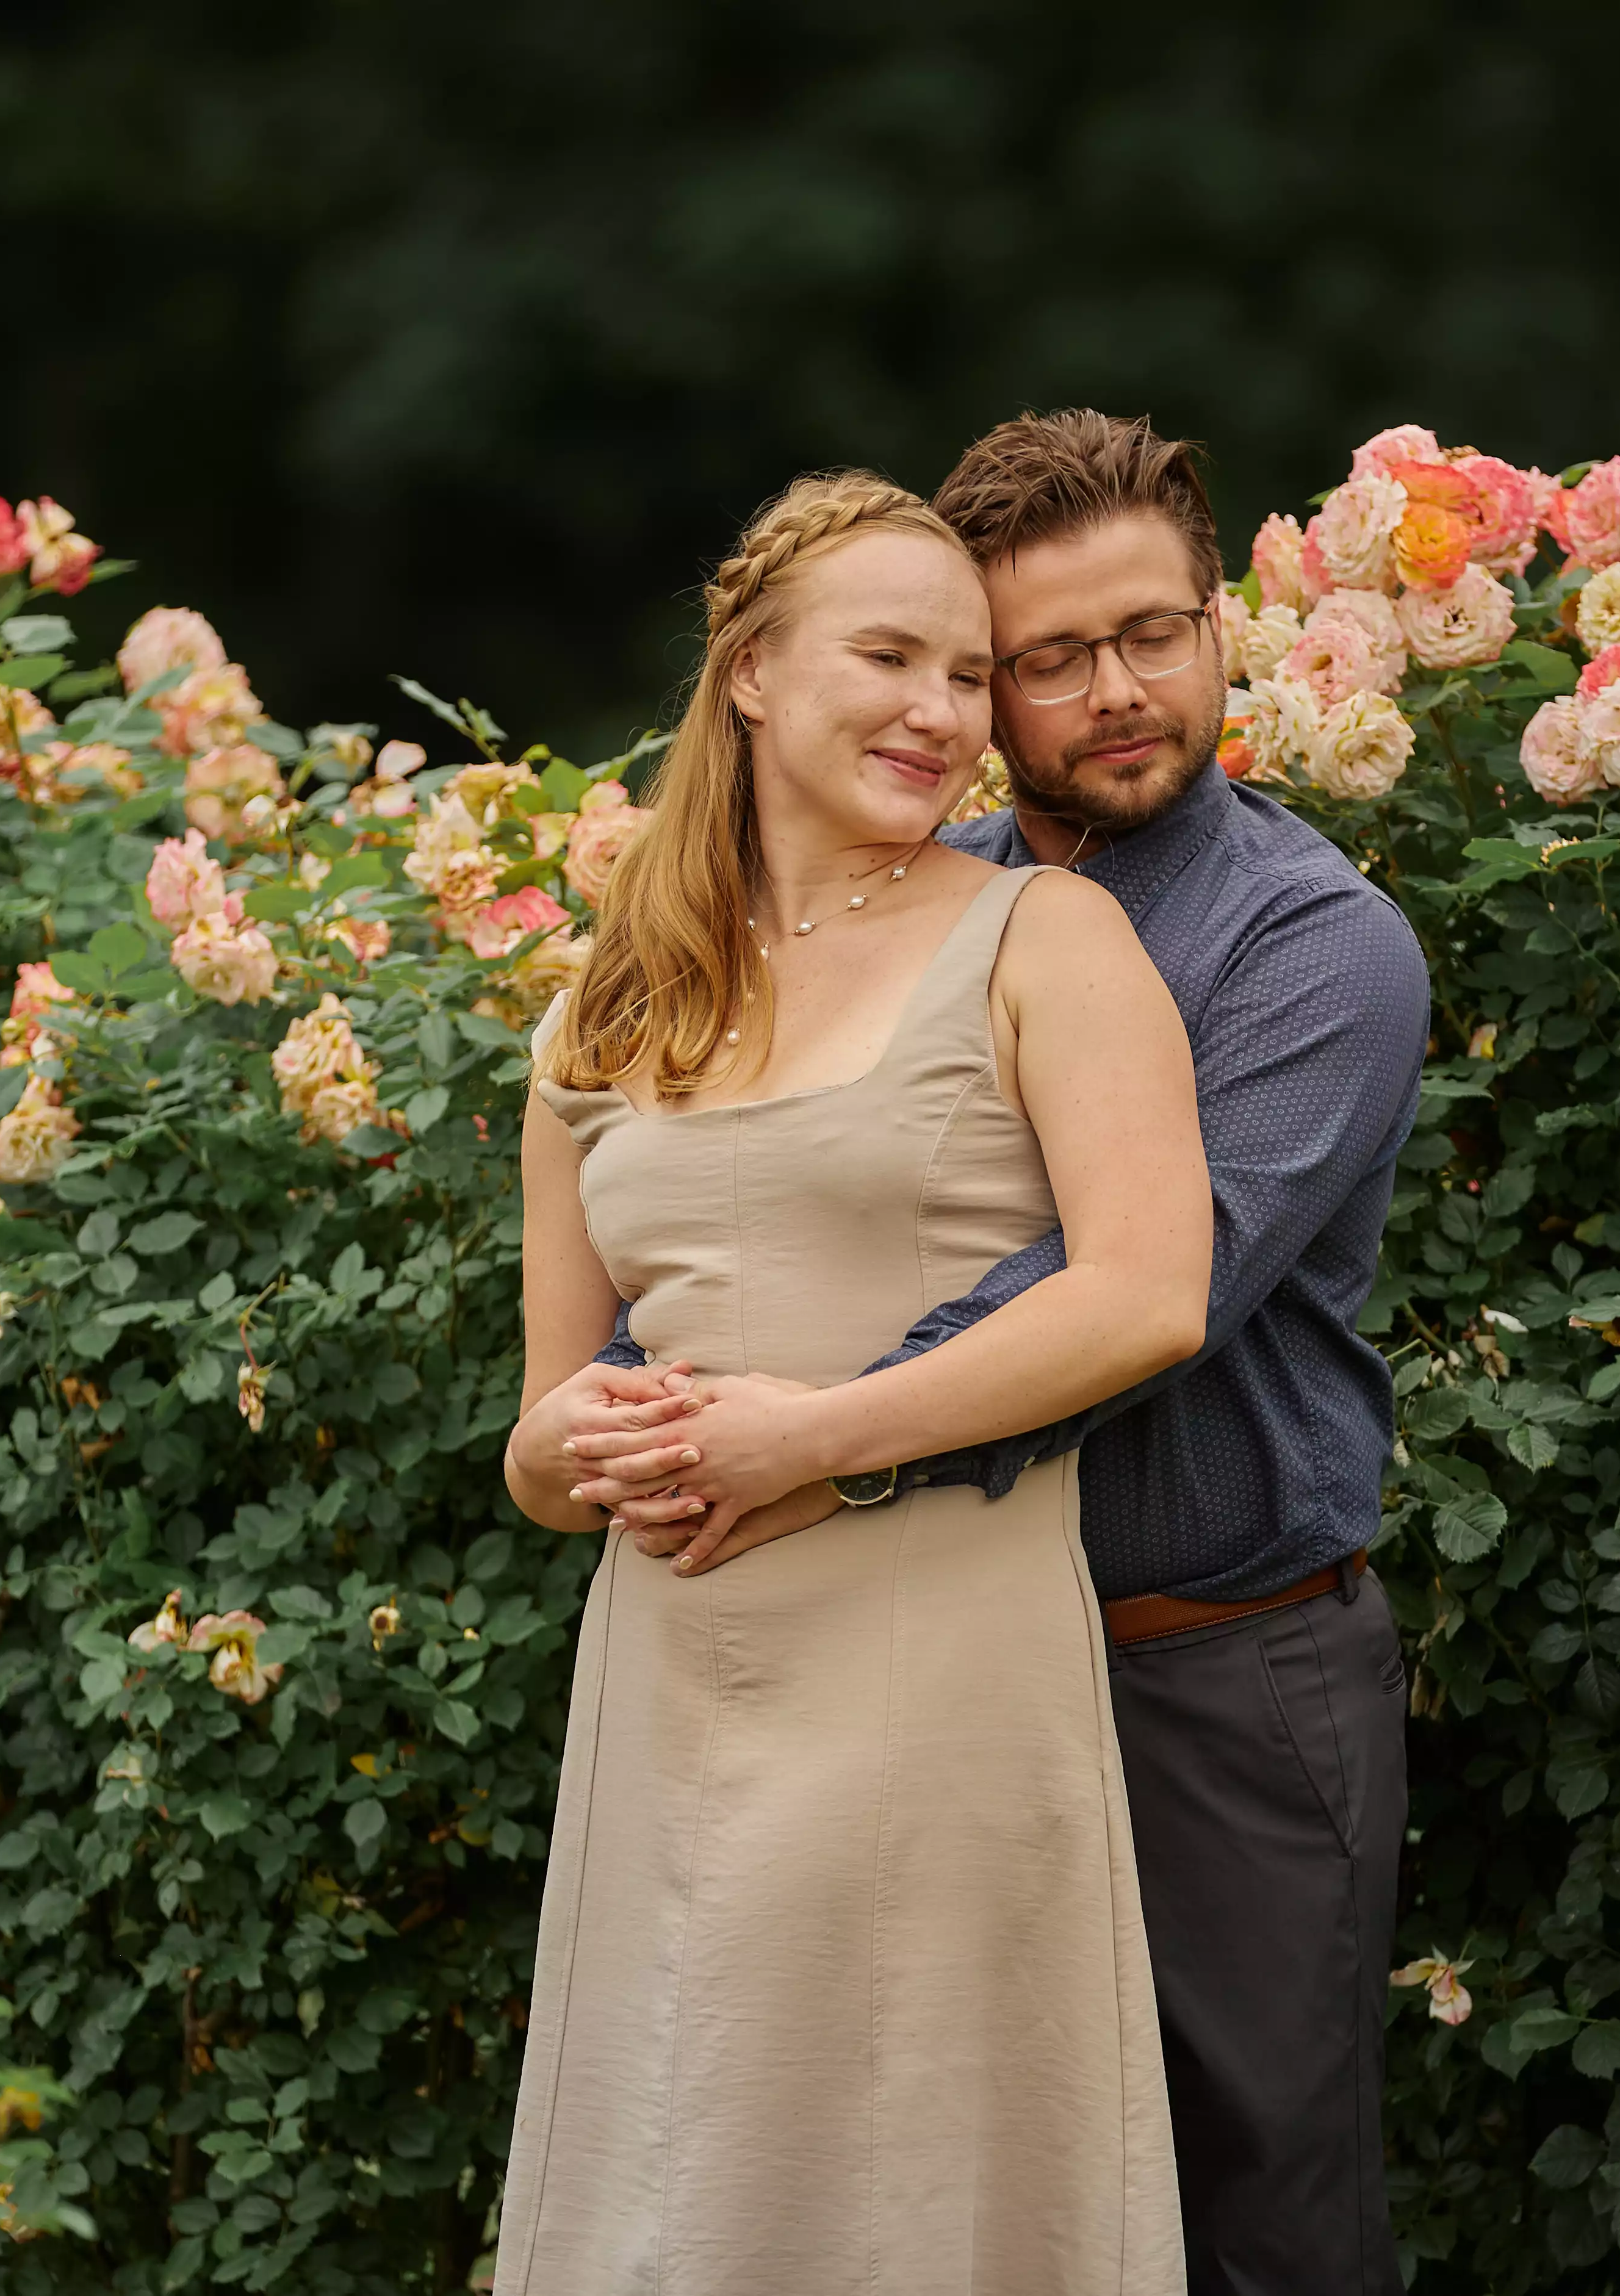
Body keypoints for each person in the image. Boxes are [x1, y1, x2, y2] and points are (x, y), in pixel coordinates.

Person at [554, 412, 1430, 2296]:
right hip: (905, 1664)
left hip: (1210, 1668)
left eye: (1158, 632)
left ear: (1221, 625)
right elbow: (756, 1211)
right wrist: (649, 1396)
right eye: (1043, 660)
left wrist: (788, 1441)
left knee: (1252, 2220)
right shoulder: (868, 899)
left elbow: (1104, 1303)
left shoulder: (1310, 946)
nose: (1117, 693)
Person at [494, 469, 1210, 2294]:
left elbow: (1145, 1296)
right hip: (670, 1681)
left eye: (966, 677)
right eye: (886, 658)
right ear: (745, 671)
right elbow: (537, 1438)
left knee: (909, 2191)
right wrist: (569, 1442)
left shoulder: (1045, 938)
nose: (937, 714)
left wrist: (808, 1437)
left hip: (931, 1673)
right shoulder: (607, 1007)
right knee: (678, 2182)